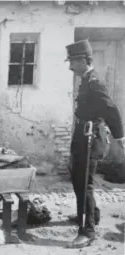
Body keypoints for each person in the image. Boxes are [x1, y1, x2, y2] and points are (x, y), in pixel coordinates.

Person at [65, 39, 125, 248]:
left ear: (83, 60)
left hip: (91, 138)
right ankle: (91, 214)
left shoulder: (95, 82)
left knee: (84, 184)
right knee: (76, 176)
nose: (71, 66)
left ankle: (88, 230)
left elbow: (112, 110)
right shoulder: (86, 79)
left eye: (73, 61)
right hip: (81, 135)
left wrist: (120, 137)